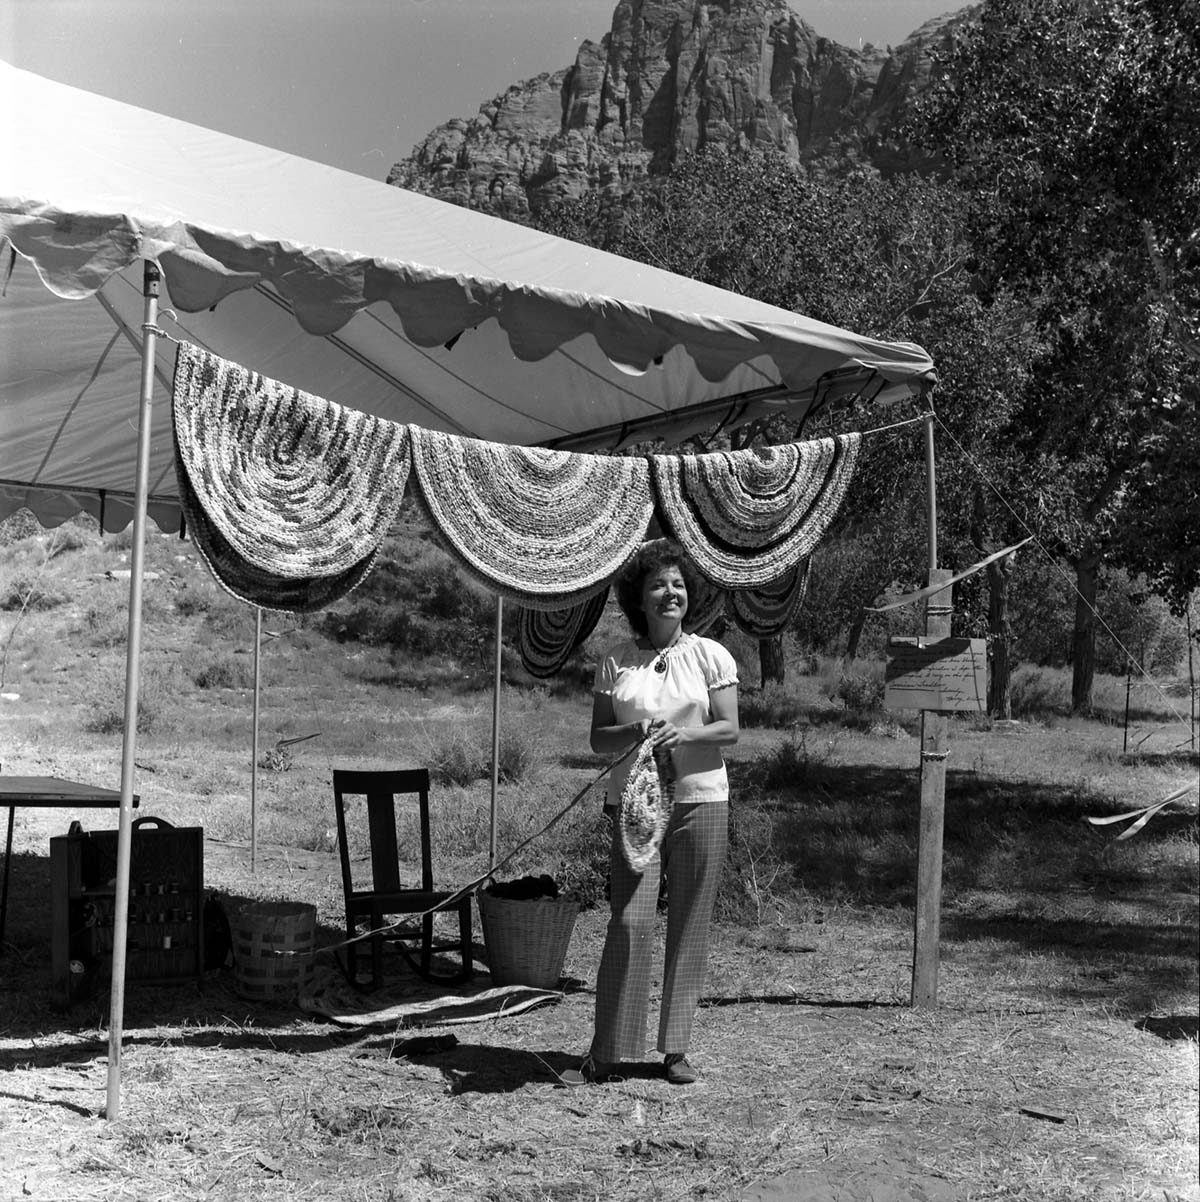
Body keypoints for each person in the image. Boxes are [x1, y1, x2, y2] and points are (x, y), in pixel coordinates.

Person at [581, 538, 739, 1086]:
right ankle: (608, 1050)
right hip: (636, 806)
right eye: (658, 585)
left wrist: (685, 732)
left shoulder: (711, 655)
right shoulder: (616, 661)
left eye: (678, 584)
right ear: (638, 600)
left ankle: (675, 1050)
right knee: (630, 920)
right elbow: (600, 739)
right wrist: (637, 730)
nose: (670, 593)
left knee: (690, 924)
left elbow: (730, 730)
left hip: (701, 802)